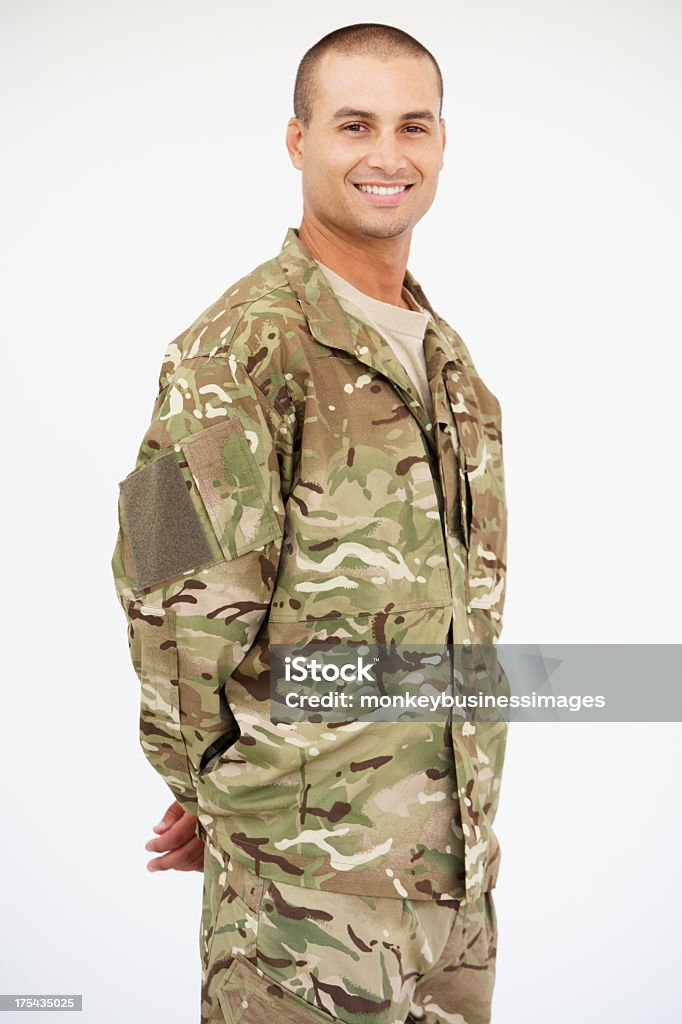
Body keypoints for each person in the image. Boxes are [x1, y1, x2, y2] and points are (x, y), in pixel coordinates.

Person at [111, 22, 508, 1024]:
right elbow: (163, 588)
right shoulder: (232, 351)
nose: (387, 154)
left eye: (412, 125)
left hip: (455, 897)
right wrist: (217, 793)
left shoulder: (452, 366)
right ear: (299, 142)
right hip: (301, 910)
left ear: (441, 143)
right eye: (354, 125)